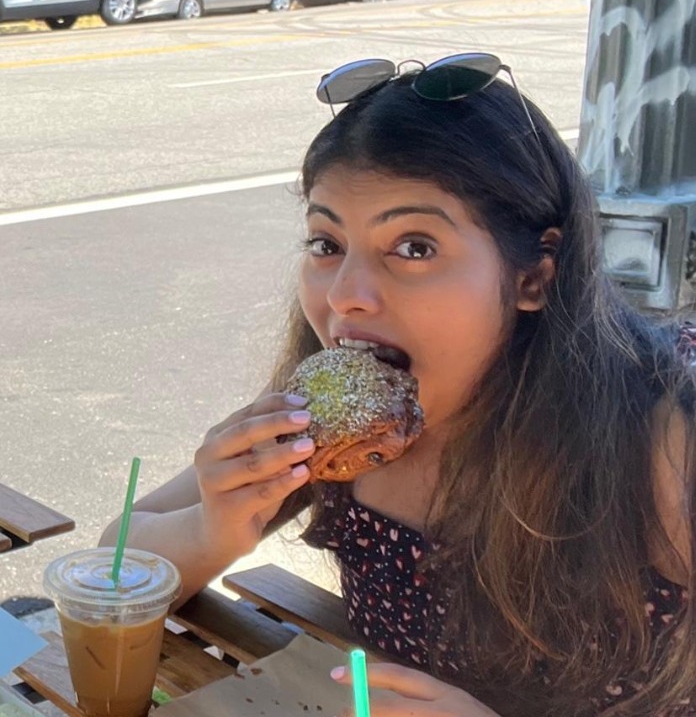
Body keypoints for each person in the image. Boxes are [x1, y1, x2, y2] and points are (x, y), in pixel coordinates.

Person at [101, 54, 696, 717]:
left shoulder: (662, 449)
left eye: (415, 247)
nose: (346, 297)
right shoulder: (333, 424)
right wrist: (214, 527)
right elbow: (116, 562)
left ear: (535, 276)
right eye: (326, 243)